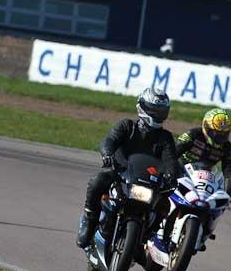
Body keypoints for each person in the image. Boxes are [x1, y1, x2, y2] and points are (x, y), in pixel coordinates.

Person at [76, 87, 180, 248]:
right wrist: (107, 154)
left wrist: (172, 175)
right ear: (143, 108)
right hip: (118, 173)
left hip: (147, 182)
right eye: (155, 110)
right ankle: (89, 223)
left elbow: (171, 160)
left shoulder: (165, 138)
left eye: (162, 111)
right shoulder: (127, 126)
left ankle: (146, 238)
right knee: (97, 181)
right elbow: (108, 141)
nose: (159, 115)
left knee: (165, 204)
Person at [174, 108, 231, 199]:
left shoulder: (227, 148)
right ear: (207, 127)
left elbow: (230, 172)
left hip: (205, 182)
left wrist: (229, 192)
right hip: (180, 174)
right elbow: (172, 153)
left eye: (225, 134)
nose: (221, 137)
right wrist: (169, 172)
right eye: (217, 133)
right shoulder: (193, 135)